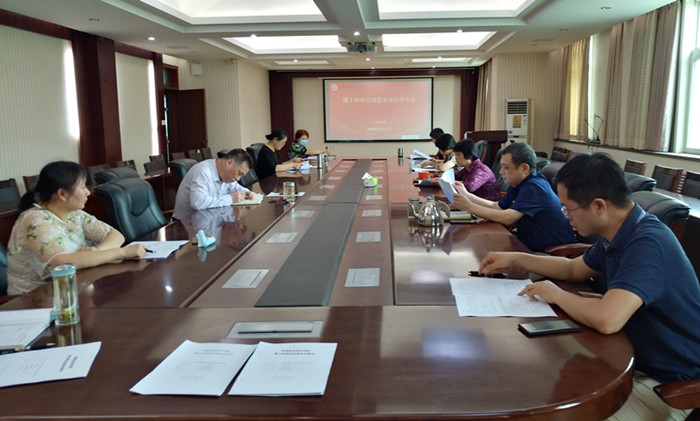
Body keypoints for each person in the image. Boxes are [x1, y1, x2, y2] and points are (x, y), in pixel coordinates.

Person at [478, 153, 700, 420]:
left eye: (568, 209)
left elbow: (607, 319)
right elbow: (573, 269)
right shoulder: (619, 232)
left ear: (599, 206)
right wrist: (516, 258)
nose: (565, 217)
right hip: (627, 358)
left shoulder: (647, 243)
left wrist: (557, 294)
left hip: (670, 386)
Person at [7, 161, 146, 294]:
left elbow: (115, 235)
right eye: (83, 187)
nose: (88, 192)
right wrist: (120, 252)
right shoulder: (35, 220)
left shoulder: (74, 213)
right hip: (34, 299)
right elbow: (62, 263)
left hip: (72, 289)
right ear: (62, 194)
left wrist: (97, 252)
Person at [453, 142, 575, 252]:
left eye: (505, 167)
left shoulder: (534, 187)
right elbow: (496, 206)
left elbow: (508, 217)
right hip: (527, 245)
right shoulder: (518, 184)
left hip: (550, 253)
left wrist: (469, 206)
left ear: (524, 168)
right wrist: (467, 195)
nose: (500, 171)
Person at [173, 148, 257, 220]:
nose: (238, 179)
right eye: (239, 173)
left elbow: (235, 187)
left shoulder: (225, 175)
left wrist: (247, 192)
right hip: (186, 225)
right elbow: (198, 202)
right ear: (229, 163)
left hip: (209, 218)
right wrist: (230, 198)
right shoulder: (203, 172)